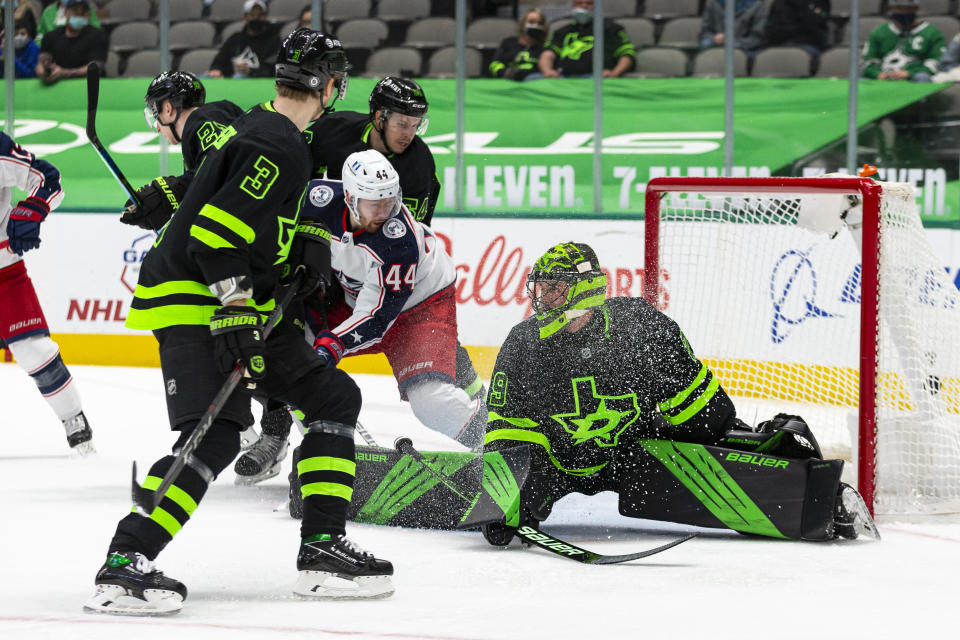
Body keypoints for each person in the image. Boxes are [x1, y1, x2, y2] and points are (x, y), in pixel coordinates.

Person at [83, 29, 393, 616]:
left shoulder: (273, 133)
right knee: (217, 431)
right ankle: (126, 560)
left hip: (238, 299)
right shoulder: (275, 144)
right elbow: (216, 236)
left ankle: (323, 549)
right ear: (330, 86)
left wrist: (302, 255)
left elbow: (254, 223)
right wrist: (236, 316)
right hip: (201, 299)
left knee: (331, 397)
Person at [479, 241, 879, 546]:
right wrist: (507, 495)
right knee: (512, 497)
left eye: (555, 289)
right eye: (542, 287)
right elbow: (506, 432)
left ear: (585, 290)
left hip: (634, 454)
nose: (543, 298)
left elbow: (707, 416)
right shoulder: (522, 344)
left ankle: (823, 499)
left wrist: (742, 448)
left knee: (704, 458)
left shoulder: (641, 328)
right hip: (556, 461)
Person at [0, 131, 94, 454]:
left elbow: (47, 178)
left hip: (3, 272)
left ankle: (74, 419)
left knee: (34, 350)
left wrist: (34, 208)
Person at [119, 71, 244, 232]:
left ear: (168, 108)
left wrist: (171, 191)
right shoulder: (222, 116)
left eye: (155, 114)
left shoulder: (202, 123)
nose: (157, 127)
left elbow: (223, 167)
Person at [536, 0, 635, 78]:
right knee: (533, 78)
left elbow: (626, 54)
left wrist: (615, 73)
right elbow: (547, 54)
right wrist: (547, 71)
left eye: (589, 3)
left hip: (596, 79)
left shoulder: (611, 28)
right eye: (579, 3)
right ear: (573, 6)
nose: (584, 6)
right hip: (563, 78)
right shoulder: (561, 32)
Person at [863, 0, 944, 83]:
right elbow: (868, 61)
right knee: (859, 83)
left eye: (908, 8)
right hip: (883, 77)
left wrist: (909, 73)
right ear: (891, 9)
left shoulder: (932, 33)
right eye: (899, 8)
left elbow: (936, 62)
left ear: (916, 9)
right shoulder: (879, 32)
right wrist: (878, 75)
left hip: (913, 77)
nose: (903, 12)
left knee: (923, 78)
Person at [35, 0, 105, 84]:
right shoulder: (50, 37)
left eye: (83, 12)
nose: (79, 15)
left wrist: (64, 73)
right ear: (65, 12)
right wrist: (44, 73)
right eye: (75, 10)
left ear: (89, 14)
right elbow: (41, 64)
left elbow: (96, 67)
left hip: (88, 86)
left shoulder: (97, 36)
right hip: (57, 86)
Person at [208, 0, 280, 79]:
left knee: (239, 76)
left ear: (265, 17)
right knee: (204, 77)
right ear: (245, 17)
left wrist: (251, 71)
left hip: (258, 81)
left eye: (260, 15)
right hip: (230, 78)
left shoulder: (274, 40)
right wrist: (216, 70)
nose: (256, 18)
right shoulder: (235, 39)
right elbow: (219, 61)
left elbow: (274, 68)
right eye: (252, 15)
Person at [764, 0, 829, 71]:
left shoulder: (819, 2)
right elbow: (771, 29)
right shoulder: (779, 3)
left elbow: (823, 15)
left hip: (808, 43)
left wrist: (810, 8)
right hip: (779, 43)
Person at [489, 8, 547, 81]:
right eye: (531, 22)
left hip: (534, 82)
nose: (536, 25)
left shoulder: (545, 47)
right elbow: (494, 64)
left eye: (540, 23)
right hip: (507, 81)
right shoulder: (508, 43)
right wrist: (504, 72)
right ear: (523, 24)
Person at [698, 0, 767, 58]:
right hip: (716, 48)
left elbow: (756, 39)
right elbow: (704, 33)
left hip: (744, 52)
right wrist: (714, 38)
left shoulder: (757, 5)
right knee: (705, 44)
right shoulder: (713, 3)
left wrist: (733, 42)